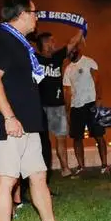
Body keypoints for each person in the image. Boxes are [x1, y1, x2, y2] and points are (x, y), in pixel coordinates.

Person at [0, 0, 81, 221]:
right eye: (34, 12)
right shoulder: (1, 41)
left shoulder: (21, 44)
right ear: (21, 13)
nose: (37, 17)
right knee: (7, 179)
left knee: (38, 177)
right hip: (9, 124)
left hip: (28, 122)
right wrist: (9, 117)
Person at [35, 30, 83, 177]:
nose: (54, 43)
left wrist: (81, 28)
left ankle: (65, 169)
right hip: (39, 106)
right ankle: (40, 169)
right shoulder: (34, 58)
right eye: (51, 41)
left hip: (57, 105)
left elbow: (71, 43)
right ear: (45, 43)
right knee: (40, 140)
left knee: (61, 138)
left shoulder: (56, 57)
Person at [63, 44, 108, 174]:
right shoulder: (68, 69)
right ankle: (81, 166)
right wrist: (67, 110)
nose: (69, 55)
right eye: (68, 54)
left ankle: (104, 165)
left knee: (99, 135)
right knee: (77, 137)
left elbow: (97, 80)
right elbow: (67, 91)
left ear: (77, 50)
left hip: (91, 103)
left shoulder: (89, 62)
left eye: (71, 52)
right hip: (76, 106)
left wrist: (99, 98)